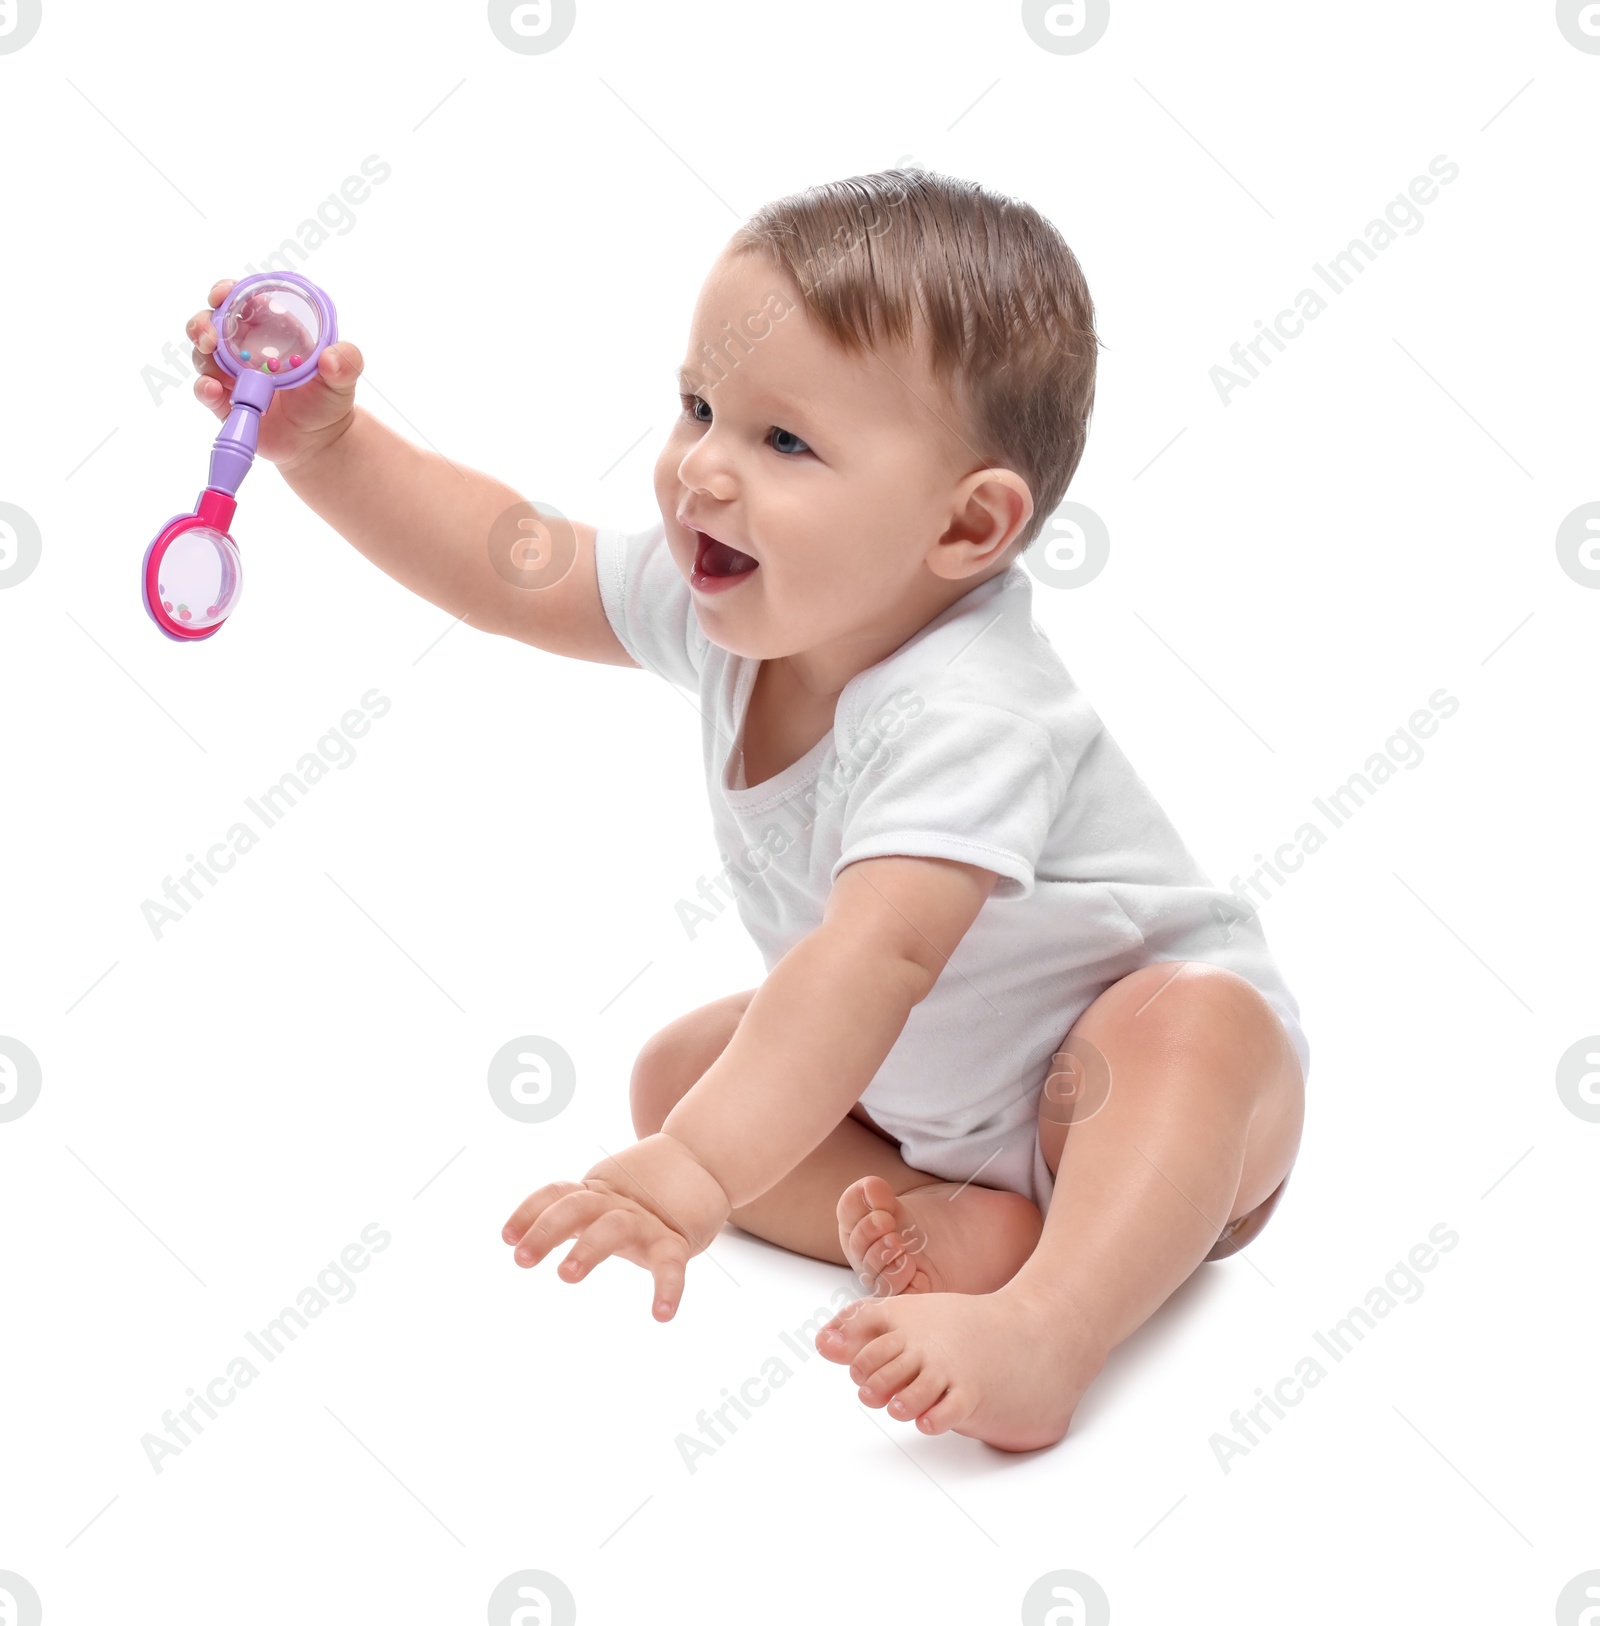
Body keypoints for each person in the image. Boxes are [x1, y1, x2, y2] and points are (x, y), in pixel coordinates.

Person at [184, 168, 1308, 1452]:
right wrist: (329, 447)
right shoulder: (748, 603)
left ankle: (1054, 1321)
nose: (703, 472)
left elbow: (875, 957)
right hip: (933, 1097)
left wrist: (704, 1175)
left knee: (1188, 1026)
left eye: (783, 443)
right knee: (675, 1074)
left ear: (966, 525)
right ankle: (961, 1218)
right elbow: (515, 563)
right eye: (699, 407)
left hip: (1140, 1108)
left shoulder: (971, 709)